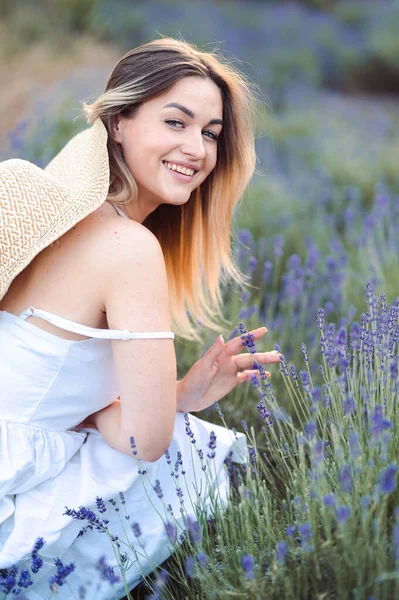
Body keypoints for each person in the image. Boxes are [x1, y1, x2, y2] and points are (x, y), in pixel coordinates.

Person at [0, 37, 279, 598]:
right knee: (196, 456)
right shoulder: (128, 247)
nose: (197, 149)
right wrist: (110, 412)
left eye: (210, 133)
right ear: (119, 122)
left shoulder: (40, 211)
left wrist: (177, 391)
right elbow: (146, 442)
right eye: (175, 122)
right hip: (14, 491)